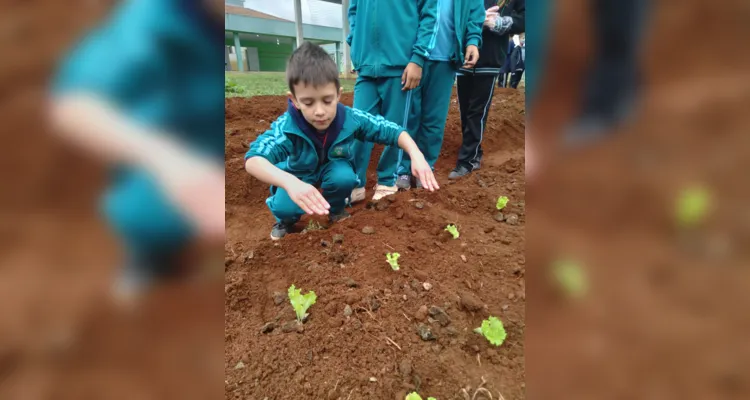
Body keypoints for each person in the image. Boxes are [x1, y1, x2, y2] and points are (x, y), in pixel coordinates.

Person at [49, 0, 226, 305]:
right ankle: (154, 261)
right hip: (178, 159)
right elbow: (73, 103)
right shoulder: (154, 17)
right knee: (150, 207)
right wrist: (169, 162)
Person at [244, 42, 439, 240]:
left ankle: (336, 209)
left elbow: (391, 130)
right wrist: (291, 183)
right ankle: (286, 221)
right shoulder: (287, 126)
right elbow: (253, 159)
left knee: (343, 177)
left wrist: (416, 154)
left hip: (334, 169)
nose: (319, 111)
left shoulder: (351, 119)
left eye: (327, 100)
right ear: (294, 100)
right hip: (298, 173)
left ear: (338, 94)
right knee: (284, 207)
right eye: (308, 102)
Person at [346, 0, 438, 202]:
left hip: (401, 65)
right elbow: (353, 11)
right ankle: (355, 183)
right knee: (356, 127)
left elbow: (430, 14)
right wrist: (355, 42)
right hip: (366, 66)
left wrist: (418, 58)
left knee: (396, 128)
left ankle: (388, 180)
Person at [395, 0, 486, 190]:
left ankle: (425, 167)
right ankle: (402, 168)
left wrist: (472, 40)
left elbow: (475, 13)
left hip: (446, 59)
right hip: (413, 57)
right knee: (408, 114)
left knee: (434, 120)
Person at [450, 0, 526, 179]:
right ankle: (473, 150)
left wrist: (498, 23)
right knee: (465, 109)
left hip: (489, 58)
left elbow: (524, 19)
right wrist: (476, 19)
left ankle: (468, 160)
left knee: (477, 111)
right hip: (464, 57)